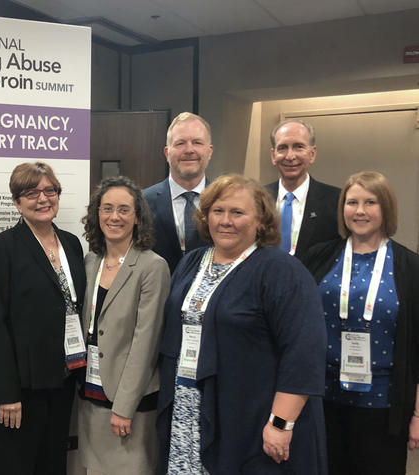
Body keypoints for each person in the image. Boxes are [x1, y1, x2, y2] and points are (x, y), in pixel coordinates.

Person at [157, 174, 327, 474]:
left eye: (237, 212)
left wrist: (281, 423)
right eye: (218, 211)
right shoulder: (193, 261)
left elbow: (304, 352)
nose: (225, 221)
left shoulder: (281, 270)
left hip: (249, 416)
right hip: (189, 407)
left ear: (261, 220)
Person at [302, 171, 419, 475]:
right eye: (351, 202)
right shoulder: (319, 257)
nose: (360, 211)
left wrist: (418, 414)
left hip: (382, 405)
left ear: (386, 209)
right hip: (321, 399)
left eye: (371, 202)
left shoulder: (410, 267)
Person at [0, 162, 86, 475]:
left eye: (49, 190)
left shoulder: (71, 243)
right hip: (22, 388)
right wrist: (6, 393)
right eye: (31, 193)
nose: (42, 198)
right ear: (17, 202)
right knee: (17, 466)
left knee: (53, 464)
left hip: (63, 378)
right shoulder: (1, 248)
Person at [78, 176, 170, 475]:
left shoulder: (151, 266)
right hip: (91, 393)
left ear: (137, 217)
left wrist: (124, 406)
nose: (114, 217)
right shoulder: (91, 260)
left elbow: (146, 343)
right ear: (96, 214)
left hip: (129, 400)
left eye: (123, 210)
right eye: (106, 209)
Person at [143, 112, 213, 274]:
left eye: (197, 142)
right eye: (180, 143)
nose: (189, 150)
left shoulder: (225, 201)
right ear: (167, 153)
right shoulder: (142, 202)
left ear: (209, 152)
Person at [266, 119, 340, 261]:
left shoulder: (336, 201)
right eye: (282, 148)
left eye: (298, 147)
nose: (290, 156)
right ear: (273, 155)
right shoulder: (257, 199)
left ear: (312, 154)